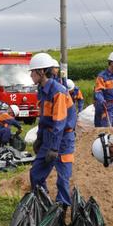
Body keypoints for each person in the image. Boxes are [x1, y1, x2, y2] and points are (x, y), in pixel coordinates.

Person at [28, 53, 75, 209]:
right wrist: (40, 138)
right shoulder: (42, 90)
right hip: (49, 136)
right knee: (35, 174)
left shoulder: (58, 92)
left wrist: (54, 147)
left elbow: (59, 122)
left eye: (33, 71)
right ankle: (44, 205)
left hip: (63, 139)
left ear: (41, 72)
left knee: (63, 179)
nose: (31, 75)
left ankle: (61, 212)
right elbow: (43, 119)